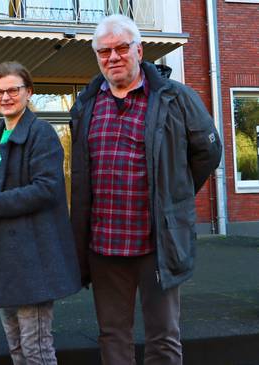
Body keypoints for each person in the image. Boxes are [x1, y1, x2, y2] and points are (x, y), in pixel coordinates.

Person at [69, 14, 222, 365]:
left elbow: (208, 152)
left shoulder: (174, 98)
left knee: (163, 337)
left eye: (122, 48)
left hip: (156, 244)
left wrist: (173, 195)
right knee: (112, 336)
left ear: (139, 50)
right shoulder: (86, 105)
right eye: (104, 51)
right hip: (104, 245)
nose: (113, 57)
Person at [0, 61, 81, 365]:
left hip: (32, 260)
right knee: (16, 349)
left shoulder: (42, 135)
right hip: (3, 261)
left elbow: (45, 189)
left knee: (36, 350)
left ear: (29, 92)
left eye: (13, 90)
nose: (5, 97)